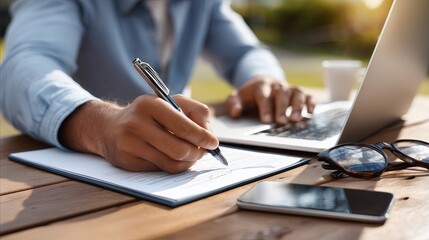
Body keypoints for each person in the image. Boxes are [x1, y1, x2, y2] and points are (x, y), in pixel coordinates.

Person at [1, 0, 315, 173]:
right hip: (79, 193)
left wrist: (263, 79)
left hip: (180, 178)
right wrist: (99, 124)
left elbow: (246, 53)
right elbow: (23, 67)